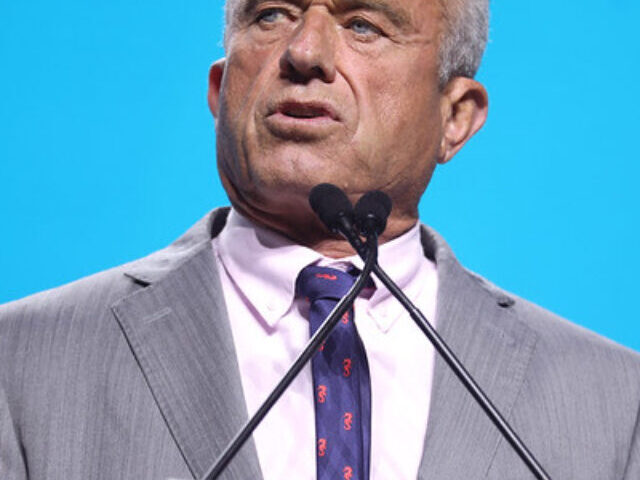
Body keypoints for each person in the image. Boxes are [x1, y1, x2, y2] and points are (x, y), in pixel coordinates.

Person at [1, 0, 639, 478]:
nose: (304, 51)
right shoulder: (20, 364)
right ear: (221, 92)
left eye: (363, 23)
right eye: (272, 14)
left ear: (454, 117)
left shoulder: (613, 401)